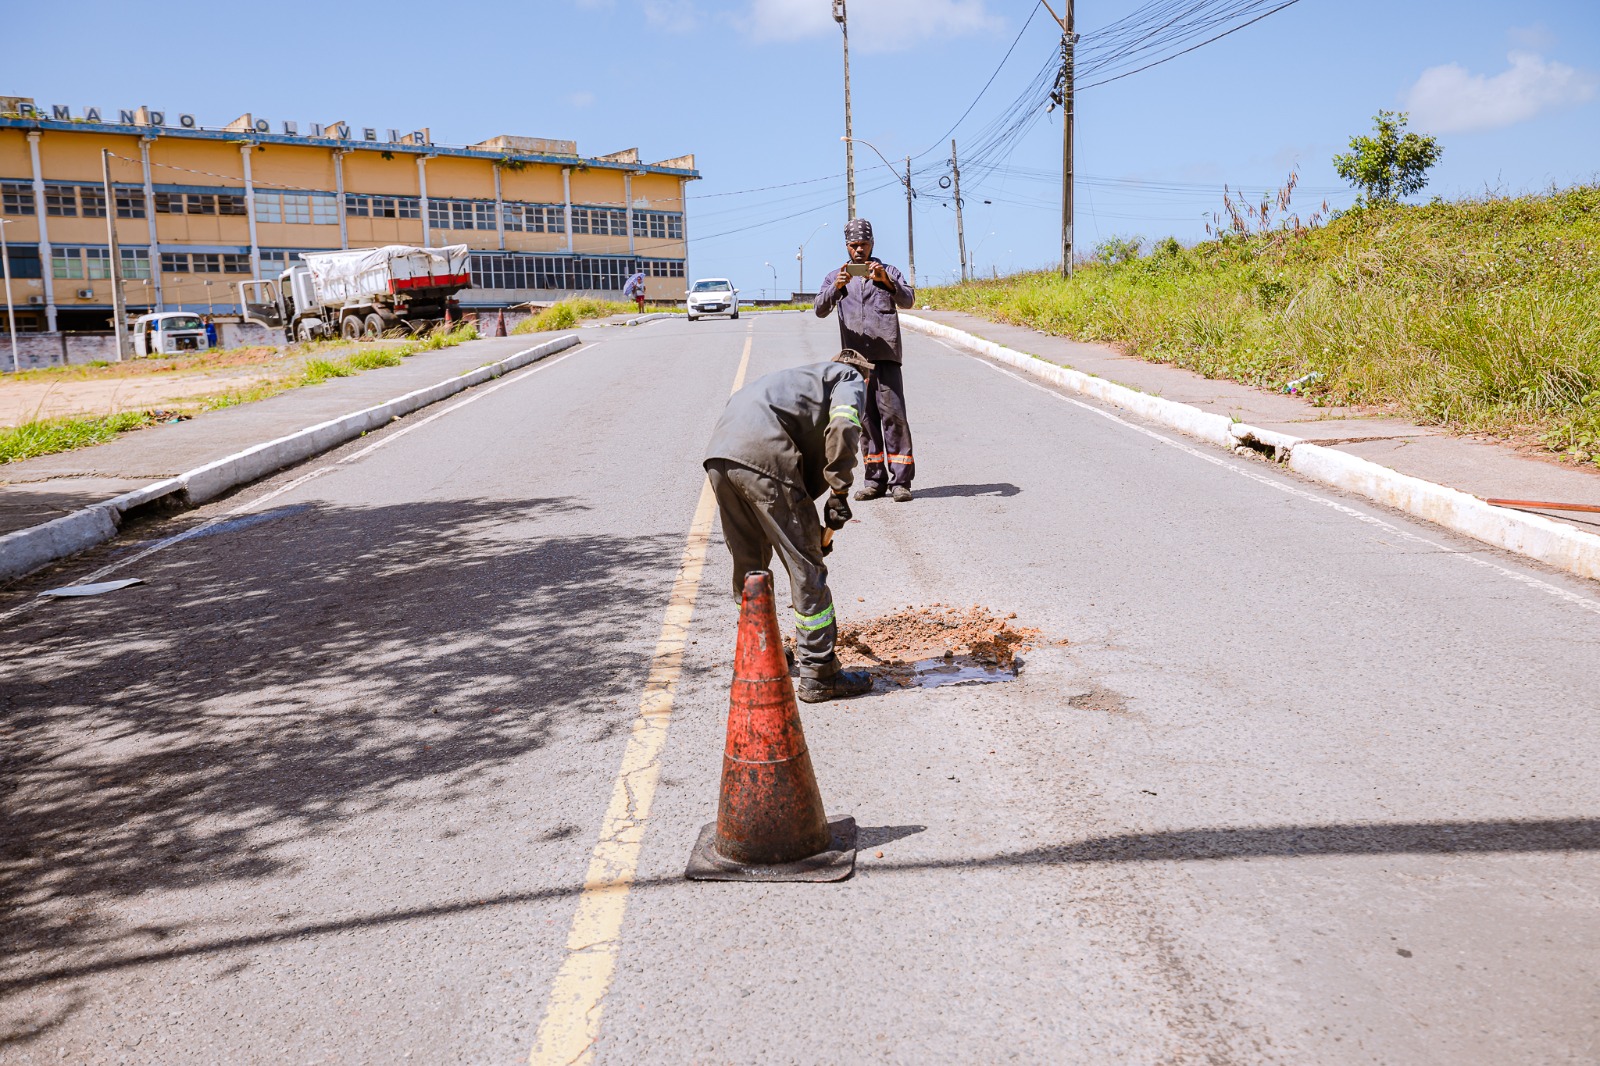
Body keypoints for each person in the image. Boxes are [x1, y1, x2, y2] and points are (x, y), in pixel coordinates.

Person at [704, 350, 876, 703]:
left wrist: (814, 523)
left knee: (750, 563)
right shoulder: (850, 378)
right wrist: (840, 490)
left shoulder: (798, 381)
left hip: (720, 455)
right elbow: (844, 426)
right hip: (762, 456)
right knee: (806, 567)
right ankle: (820, 672)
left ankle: (761, 653)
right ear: (865, 378)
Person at [812, 218, 917, 502]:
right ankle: (874, 480)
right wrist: (836, 287)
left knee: (894, 418)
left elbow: (908, 300)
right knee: (866, 420)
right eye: (853, 245)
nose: (859, 251)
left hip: (886, 358)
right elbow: (819, 309)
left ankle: (900, 482)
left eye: (864, 245)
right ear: (846, 246)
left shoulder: (889, 271)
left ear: (872, 244)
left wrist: (886, 281)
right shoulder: (837, 275)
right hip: (855, 364)